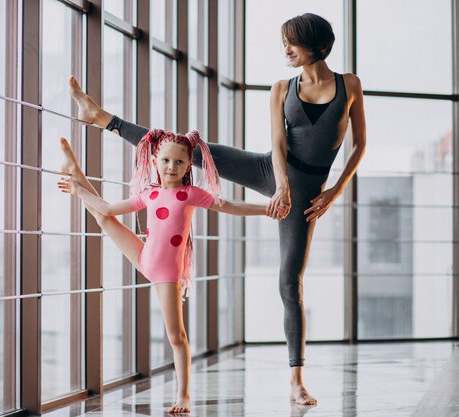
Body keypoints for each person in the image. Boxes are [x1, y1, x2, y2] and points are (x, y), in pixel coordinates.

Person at [67, 12, 366, 406]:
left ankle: (296, 380)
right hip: (272, 173)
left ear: (316, 45)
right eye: (284, 43)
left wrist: (333, 192)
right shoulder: (281, 88)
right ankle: (103, 118)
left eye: (292, 43)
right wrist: (280, 186)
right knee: (188, 151)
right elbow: (277, 145)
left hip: (310, 192)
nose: (286, 50)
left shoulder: (349, 85)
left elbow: (359, 146)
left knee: (289, 281)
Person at [57, 130, 269, 414]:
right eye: (166, 160)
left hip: (167, 273)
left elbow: (229, 206)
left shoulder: (190, 194)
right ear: (155, 159)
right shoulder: (149, 194)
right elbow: (107, 208)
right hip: (144, 257)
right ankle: (76, 172)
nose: (172, 167)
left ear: (187, 165)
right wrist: (78, 191)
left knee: (176, 336)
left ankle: (184, 396)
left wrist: (268, 209)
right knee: (103, 219)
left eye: (180, 163)